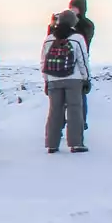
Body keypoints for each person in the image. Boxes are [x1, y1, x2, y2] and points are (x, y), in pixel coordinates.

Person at [41, 9, 92, 153]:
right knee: (75, 110)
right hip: (73, 79)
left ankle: (51, 144)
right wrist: (86, 78)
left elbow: (43, 61)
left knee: (54, 111)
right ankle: (76, 143)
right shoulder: (77, 38)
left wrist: (46, 80)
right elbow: (83, 60)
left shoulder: (49, 38)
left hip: (53, 79)